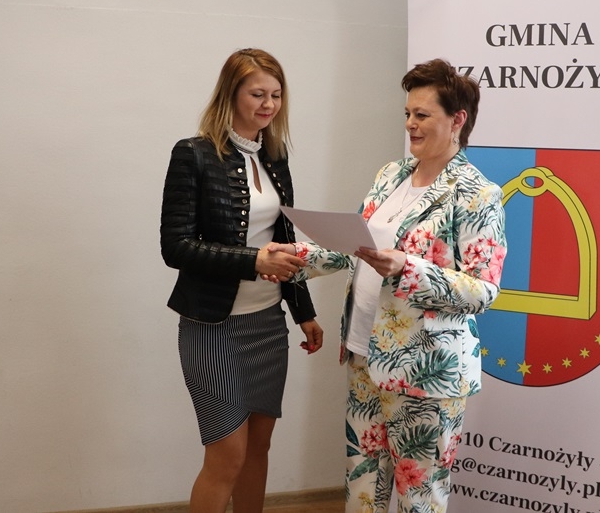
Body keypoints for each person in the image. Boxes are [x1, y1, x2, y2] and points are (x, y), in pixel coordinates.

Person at [294, 58, 506, 512]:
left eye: (422, 114)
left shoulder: (477, 193)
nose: (410, 123)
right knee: (362, 493)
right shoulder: (390, 175)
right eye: (408, 113)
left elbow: (482, 289)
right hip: (363, 356)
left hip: (427, 372)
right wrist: (295, 258)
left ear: (457, 120)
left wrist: (407, 268)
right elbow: (355, 248)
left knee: (419, 500)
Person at [159, 48, 324, 513]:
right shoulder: (193, 154)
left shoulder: (275, 156)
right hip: (213, 326)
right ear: (231, 94)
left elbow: (284, 240)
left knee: (257, 449)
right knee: (226, 456)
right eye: (257, 94)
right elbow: (176, 246)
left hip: (267, 325)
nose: (269, 104)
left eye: (276, 94)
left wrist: (304, 312)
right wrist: (253, 260)